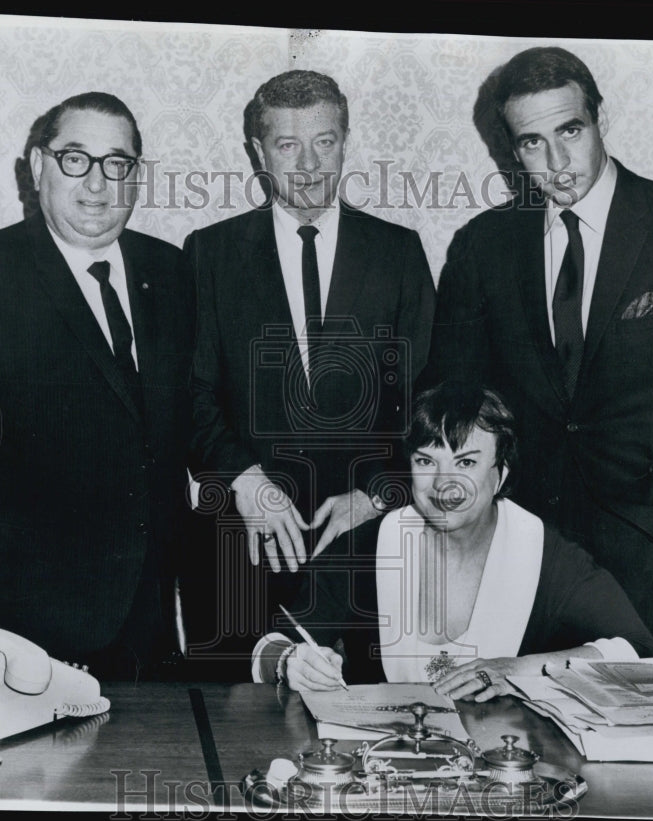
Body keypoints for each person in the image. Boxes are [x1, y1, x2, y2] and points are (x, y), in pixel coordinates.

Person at [421, 47, 653, 664]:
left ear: (599, 120)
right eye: (532, 143)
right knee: (516, 736)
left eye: (569, 131)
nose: (557, 162)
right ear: (511, 149)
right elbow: (451, 398)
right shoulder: (483, 245)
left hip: (651, 546)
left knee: (630, 743)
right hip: (519, 544)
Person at [0, 92, 194, 679]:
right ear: (38, 167)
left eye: (118, 164)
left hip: (145, 612)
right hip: (14, 607)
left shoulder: (170, 271)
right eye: (75, 159)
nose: (98, 184)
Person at [182, 70, 435, 669]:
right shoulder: (209, 254)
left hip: (376, 542)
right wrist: (246, 482)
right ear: (258, 153)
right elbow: (188, 394)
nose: (309, 164)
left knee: (383, 729)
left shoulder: (398, 252)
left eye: (324, 141)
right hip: (241, 542)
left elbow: (429, 393)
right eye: (287, 145)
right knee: (239, 728)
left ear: (346, 141)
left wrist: (376, 494)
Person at [253, 381, 653, 696]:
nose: (445, 484)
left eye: (465, 462)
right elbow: (267, 647)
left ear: (500, 475)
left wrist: (514, 670)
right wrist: (291, 660)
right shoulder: (369, 545)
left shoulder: (544, 554)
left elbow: (640, 653)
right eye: (426, 461)